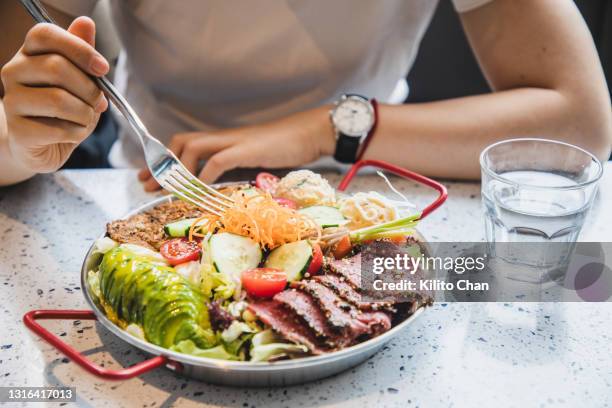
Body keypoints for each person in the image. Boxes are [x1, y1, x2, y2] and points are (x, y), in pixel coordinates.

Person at [1, 0, 610, 189]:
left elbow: (581, 120)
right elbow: (9, 113)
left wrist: (333, 127)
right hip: (151, 192)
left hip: (371, 190)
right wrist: (24, 142)